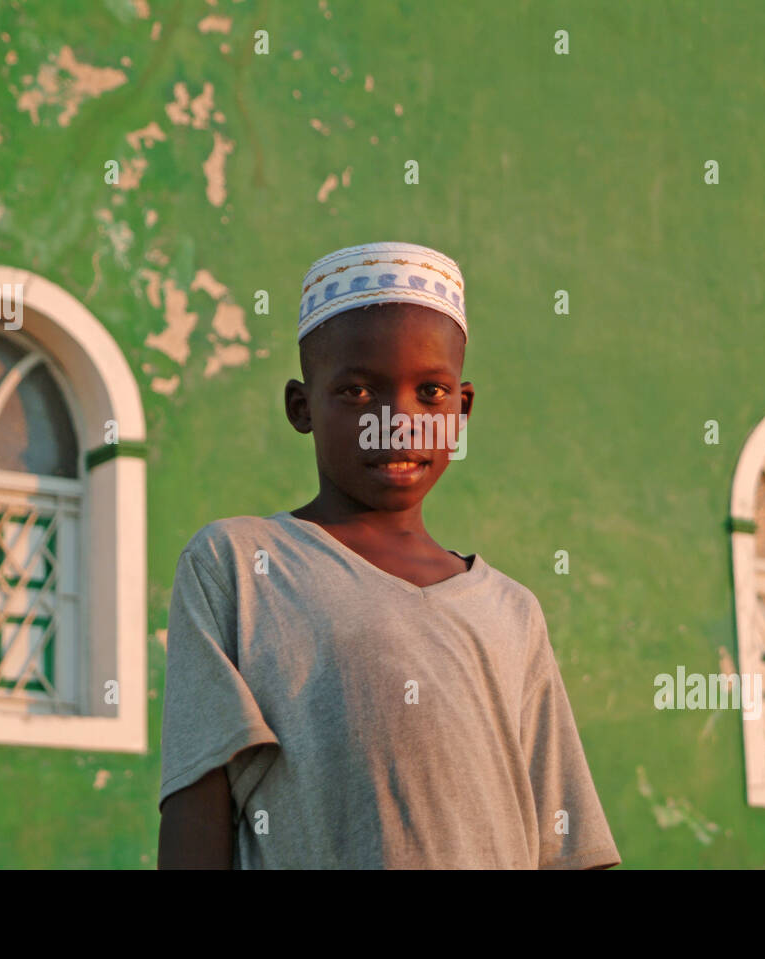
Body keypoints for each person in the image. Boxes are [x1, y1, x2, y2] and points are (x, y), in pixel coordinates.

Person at [157, 241, 620, 869]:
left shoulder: (514, 613)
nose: (397, 422)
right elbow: (197, 817)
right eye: (356, 392)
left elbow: (570, 847)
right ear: (301, 407)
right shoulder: (238, 568)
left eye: (430, 392)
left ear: (462, 411)